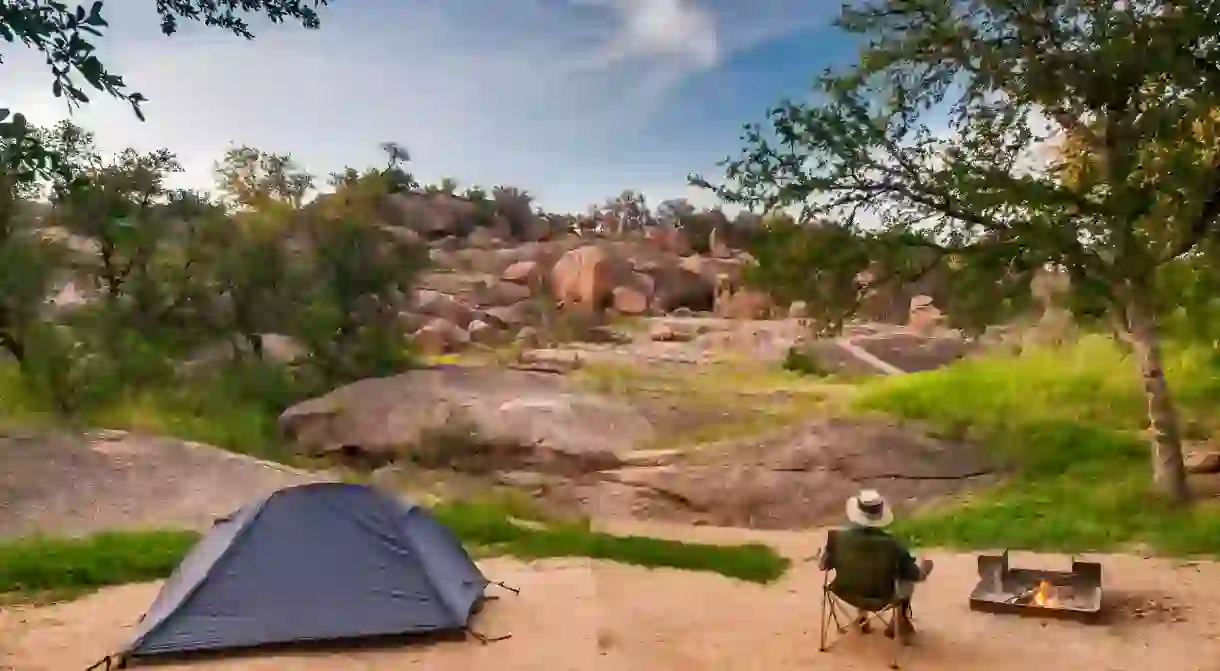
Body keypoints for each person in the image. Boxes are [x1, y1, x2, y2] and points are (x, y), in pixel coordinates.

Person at [819, 489, 933, 636]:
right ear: (880, 515)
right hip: (884, 596)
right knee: (905, 579)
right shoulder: (893, 545)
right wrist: (926, 567)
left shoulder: (836, 539)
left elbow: (823, 566)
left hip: (845, 592)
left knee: (859, 571)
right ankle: (899, 619)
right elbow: (915, 575)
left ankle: (862, 616)